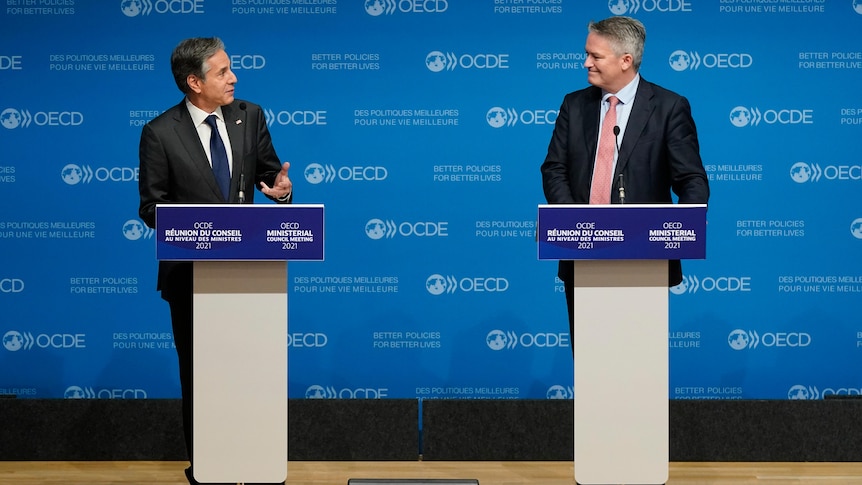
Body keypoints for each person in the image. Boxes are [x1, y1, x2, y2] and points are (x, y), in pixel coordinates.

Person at [138, 37, 292, 485]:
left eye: (231, 69)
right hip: (190, 278)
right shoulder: (160, 132)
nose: (234, 78)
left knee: (254, 373)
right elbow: (152, 207)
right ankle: (209, 468)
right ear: (193, 82)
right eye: (223, 72)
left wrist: (281, 193)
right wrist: (206, 230)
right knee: (202, 377)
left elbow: (270, 173)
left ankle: (257, 465)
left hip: (251, 275)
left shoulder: (251, 115)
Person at [540, 16, 710, 343]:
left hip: (644, 257)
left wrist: (677, 229)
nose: (586, 62)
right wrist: (578, 223)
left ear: (626, 60)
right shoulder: (574, 105)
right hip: (583, 254)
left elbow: (692, 180)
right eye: (587, 53)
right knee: (590, 355)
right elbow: (554, 169)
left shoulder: (669, 107)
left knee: (637, 359)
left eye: (596, 56)